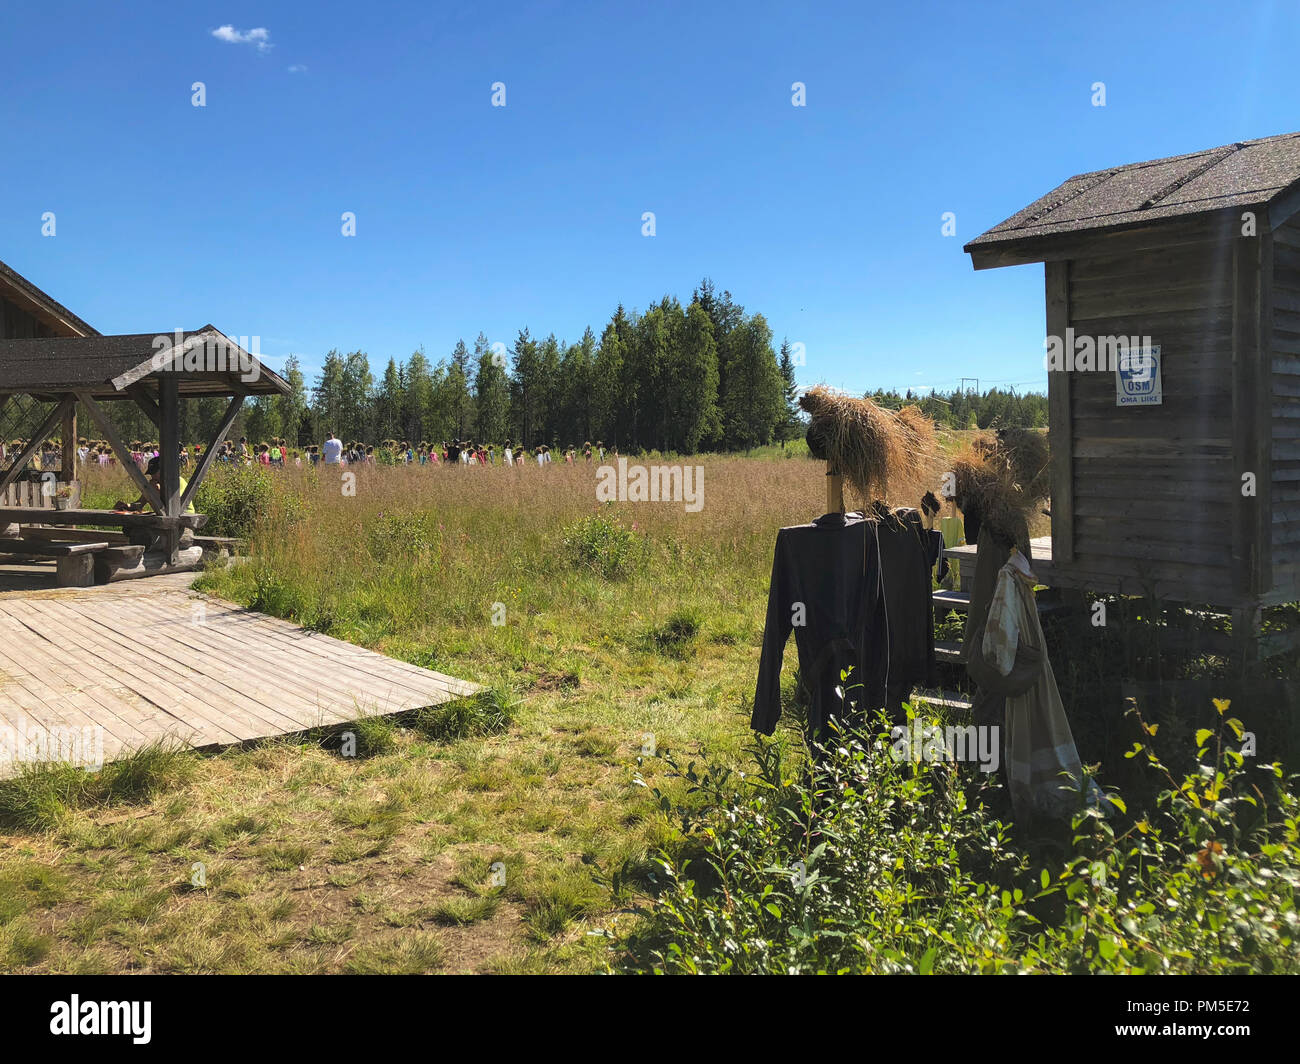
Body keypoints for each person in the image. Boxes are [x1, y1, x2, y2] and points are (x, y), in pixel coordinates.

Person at [114, 455, 196, 517]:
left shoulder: (177, 481)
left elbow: (176, 504)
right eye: (151, 473)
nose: (153, 476)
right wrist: (127, 506)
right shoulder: (154, 483)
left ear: (163, 470)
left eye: (155, 472)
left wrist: (160, 491)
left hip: (184, 515)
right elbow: (140, 503)